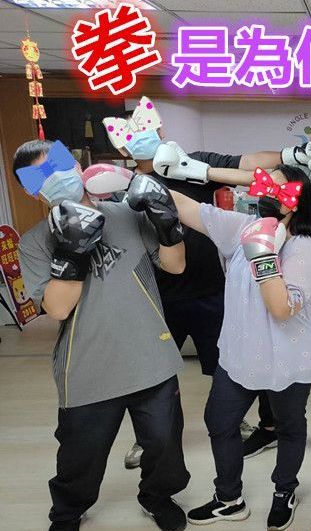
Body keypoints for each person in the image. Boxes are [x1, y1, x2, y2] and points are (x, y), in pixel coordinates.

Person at [155, 119, 311, 465]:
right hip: (273, 287)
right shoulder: (305, 178)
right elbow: (253, 178)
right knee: (266, 360)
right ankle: (270, 427)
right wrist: (194, 170)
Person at [14, 139, 190, 531]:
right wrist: (72, 251)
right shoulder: (35, 242)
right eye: (40, 174)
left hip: (151, 355)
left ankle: (157, 497)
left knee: (164, 445)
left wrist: (168, 222)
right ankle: (67, 512)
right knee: (81, 455)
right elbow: (57, 309)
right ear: (31, 190)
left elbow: (175, 266)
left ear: (77, 165)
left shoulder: (126, 214)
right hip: (87, 366)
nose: (55, 176)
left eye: (58, 164)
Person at [104, 97, 274, 468]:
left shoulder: (192, 164)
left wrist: (293, 154)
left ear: (161, 129)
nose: (143, 136)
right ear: (121, 148)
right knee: (151, 372)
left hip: (211, 290)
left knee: (229, 362)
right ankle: (147, 438)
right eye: (132, 135)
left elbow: (253, 164)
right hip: (155, 296)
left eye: (148, 128)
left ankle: (235, 418)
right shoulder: (122, 187)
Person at [169, 164, 311, 531]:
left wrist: (263, 256)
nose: (269, 193)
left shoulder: (303, 248)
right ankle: (229, 498)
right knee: (219, 421)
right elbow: (186, 208)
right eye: (266, 185)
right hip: (240, 350)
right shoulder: (242, 227)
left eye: (279, 189)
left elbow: (282, 309)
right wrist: (138, 178)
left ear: (296, 202)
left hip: (288, 357)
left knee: (288, 426)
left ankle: (285, 490)